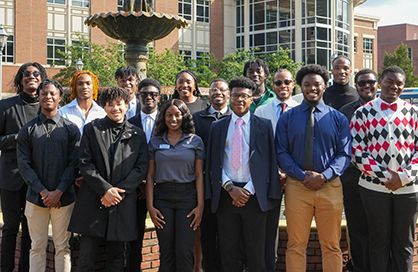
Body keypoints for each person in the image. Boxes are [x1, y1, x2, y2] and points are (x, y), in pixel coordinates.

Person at [276, 64, 351, 272]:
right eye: (306, 84)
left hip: (330, 187)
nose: (312, 88)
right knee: (295, 245)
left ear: (324, 86)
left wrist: (324, 176)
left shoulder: (338, 118)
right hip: (297, 188)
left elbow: (345, 154)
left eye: (316, 84)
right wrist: (302, 176)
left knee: (332, 245)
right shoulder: (287, 118)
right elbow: (281, 153)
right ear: (300, 87)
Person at [68, 87, 148, 272]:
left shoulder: (137, 134)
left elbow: (141, 168)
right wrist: (105, 190)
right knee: (86, 257)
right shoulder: (92, 129)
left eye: (119, 104)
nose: (115, 108)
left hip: (121, 203)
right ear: (104, 107)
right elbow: (85, 163)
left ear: (126, 105)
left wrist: (117, 193)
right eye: (110, 105)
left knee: (117, 258)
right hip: (93, 200)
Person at [205, 76, 281, 272]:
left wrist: (247, 190)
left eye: (244, 96)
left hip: (254, 196)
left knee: (256, 252)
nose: (239, 100)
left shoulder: (264, 125)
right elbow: (214, 163)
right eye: (236, 95)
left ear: (251, 98)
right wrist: (230, 188)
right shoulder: (218, 126)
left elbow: (268, 162)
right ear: (230, 97)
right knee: (228, 251)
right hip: (226, 196)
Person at [350, 66, 418, 272]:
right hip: (374, 189)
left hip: (408, 189)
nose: (394, 86)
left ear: (403, 86)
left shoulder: (413, 112)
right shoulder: (362, 113)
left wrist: (404, 177)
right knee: (378, 242)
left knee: (405, 243)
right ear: (380, 82)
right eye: (389, 81)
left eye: (399, 83)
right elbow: (357, 152)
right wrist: (387, 177)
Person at [17, 79, 80, 272]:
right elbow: (24, 165)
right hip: (36, 198)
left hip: (65, 199)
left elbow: (74, 164)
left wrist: (58, 192)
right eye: (44, 94)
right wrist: (44, 191)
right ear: (38, 96)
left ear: (60, 97)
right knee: (36, 247)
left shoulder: (71, 129)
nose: (48, 97)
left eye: (53, 93)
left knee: (63, 247)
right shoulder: (27, 130)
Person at [146, 99, 205, 272]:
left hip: (187, 197)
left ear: (184, 116)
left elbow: (200, 175)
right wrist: (150, 206)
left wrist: (200, 206)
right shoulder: (155, 142)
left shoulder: (195, 141)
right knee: (166, 252)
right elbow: (149, 176)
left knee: (184, 251)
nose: (173, 119)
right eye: (169, 115)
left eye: (177, 114)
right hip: (162, 198)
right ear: (163, 117)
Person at [0, 62, 48, 272]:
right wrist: (16, 138)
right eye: (26, 74)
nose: (32, 76)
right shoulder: (5, 106)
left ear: (42, 78)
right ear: (20, 79)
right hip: (10, 177)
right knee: (10, 229)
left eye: (36, 73)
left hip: (37, 180)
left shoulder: (47, 107)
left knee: (31, 231)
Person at [254, 68, 299, 272]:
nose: (283, 86)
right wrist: (276, 172)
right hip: (269, 179)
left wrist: (289, 172)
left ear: (293, 85)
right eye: (278, 83)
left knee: (297, 227)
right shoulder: (261, 111)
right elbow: (259, 147)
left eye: (287, 82)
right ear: (273, 86)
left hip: (296, 178)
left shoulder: (301, 108)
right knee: (268, 227)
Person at [339, 68, 378, 272]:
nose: (366, 86)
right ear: (356, 86)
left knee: (379, 227)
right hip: (353, 178)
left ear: (377, 84)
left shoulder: (385, 109)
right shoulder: (346, 111)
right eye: (361, 83)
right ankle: (360, 267)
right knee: (357, 227)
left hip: (381, 180)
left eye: (370, 82)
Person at [193, 78, 232, 272]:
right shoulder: (197, 119)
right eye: (214, 89)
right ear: (208, 94)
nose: (218, 92)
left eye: (222, 90)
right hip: (206, 186)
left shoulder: (236, 117)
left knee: (228, 235)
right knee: (207, 234)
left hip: (231, 185)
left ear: (228, 94)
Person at [126, 78, 161, 272]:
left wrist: (153, 184)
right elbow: (126, 159)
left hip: (162, 188)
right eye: (144, 94)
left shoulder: (169, 122)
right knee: (134, 239)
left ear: (159, 97)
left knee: (166, 237)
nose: (148, 97)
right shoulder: (129, 124)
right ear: (138, 97)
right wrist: (140, 184)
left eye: (153, 94)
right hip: (136, 191)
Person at [58, 70, 106, 135]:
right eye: (80, 84)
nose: (84, 87)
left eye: (88, 83)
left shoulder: (102, 114)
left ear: (94, 86)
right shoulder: (62, 113)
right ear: (75, 87)